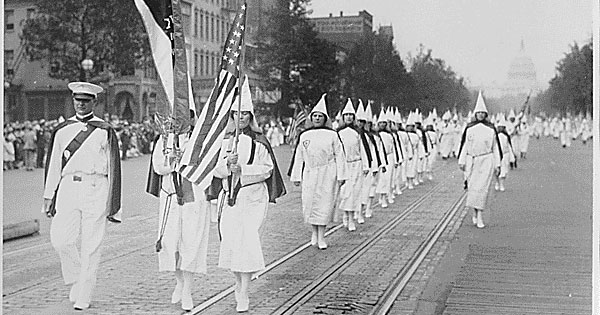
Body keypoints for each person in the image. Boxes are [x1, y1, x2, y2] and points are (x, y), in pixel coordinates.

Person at [208, 79, 286, 313]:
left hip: (252, 196)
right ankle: (237, 282)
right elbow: (216, 170)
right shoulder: (225, 141)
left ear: (250, 117)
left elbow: (267, 169)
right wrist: (226, 166)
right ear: (231, 116)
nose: (240, 118)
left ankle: (244, 291)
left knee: (248, 240)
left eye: (244, 115)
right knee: (232, 242)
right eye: (236, 114)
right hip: (231, 197)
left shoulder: (259, 141)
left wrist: (244, 170)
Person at [42, 82, 121, 310]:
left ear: (94, 102)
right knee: (60, 240)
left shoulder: (104, 130)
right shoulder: (62, 130)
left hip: (96, 187)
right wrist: (49, 196)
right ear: (73, 101)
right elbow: (54, 165)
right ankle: (77, 276)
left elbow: (113, 166)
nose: (81, 104)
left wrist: (112, 202)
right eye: (78, 100)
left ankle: (84, 293)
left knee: (91, 245)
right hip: (68, 187)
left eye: (86, 101)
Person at [146, 110, 211, 311]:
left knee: (190, 243)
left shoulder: (201, 140)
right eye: (174, 119)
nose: (177, 123)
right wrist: (171, 161)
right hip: (171, 196)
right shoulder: (164, 140)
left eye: (182, 118)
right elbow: (158, 167)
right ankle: (179, 280)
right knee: (169, 242)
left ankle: (187, 289)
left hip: (193, 196)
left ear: (192, 119)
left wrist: (187, 160)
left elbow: (208, 164)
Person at [289, 93, 347, 250]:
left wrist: (342, 175)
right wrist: (296, 176)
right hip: (310, 172)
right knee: (310, 202)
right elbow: (299, 157)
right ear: (311, 118)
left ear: (325, 118)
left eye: (320, 116)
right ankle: (314, 232)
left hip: (328, 173)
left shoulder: (332, 135)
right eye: (314, 116)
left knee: (324, 203)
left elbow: (340, 155)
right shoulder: (304, 135)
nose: (317, 119)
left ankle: (322, 235)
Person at [457, 91, 501, 229]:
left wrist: (498, 164)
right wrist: (462, 160)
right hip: (472, 161)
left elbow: (495, 148)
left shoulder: (491, 129)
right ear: (475, 114)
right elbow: (465, 145)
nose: (481, 115)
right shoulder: (470, 129)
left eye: (483, 113)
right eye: (479, 113)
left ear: (486, 115)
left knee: (483, 189)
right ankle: (475, 212)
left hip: (486, 161)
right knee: (473, 189)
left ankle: (480, 215)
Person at [336, 99, 369, 231]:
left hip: (356, 165)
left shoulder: (358, 133)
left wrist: (366, 166)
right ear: (343, 117)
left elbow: (363, 150)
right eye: (346, 115)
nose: (349, 117)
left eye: (351, 115)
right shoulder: (338, 133)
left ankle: (351, 218)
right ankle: (345, 215)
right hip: (344, 166)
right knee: (345, 193)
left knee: (355, 192)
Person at [494, 114, 516, 192]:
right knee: (497, 170)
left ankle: (502, 184)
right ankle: (497, 182)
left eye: (502, 127)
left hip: (505, 155)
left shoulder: (506, 136)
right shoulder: (495, 136)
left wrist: (512, 157)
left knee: (504, 171)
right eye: (499, 127)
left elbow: (509, 146)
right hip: (497, 155)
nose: (500, 129)